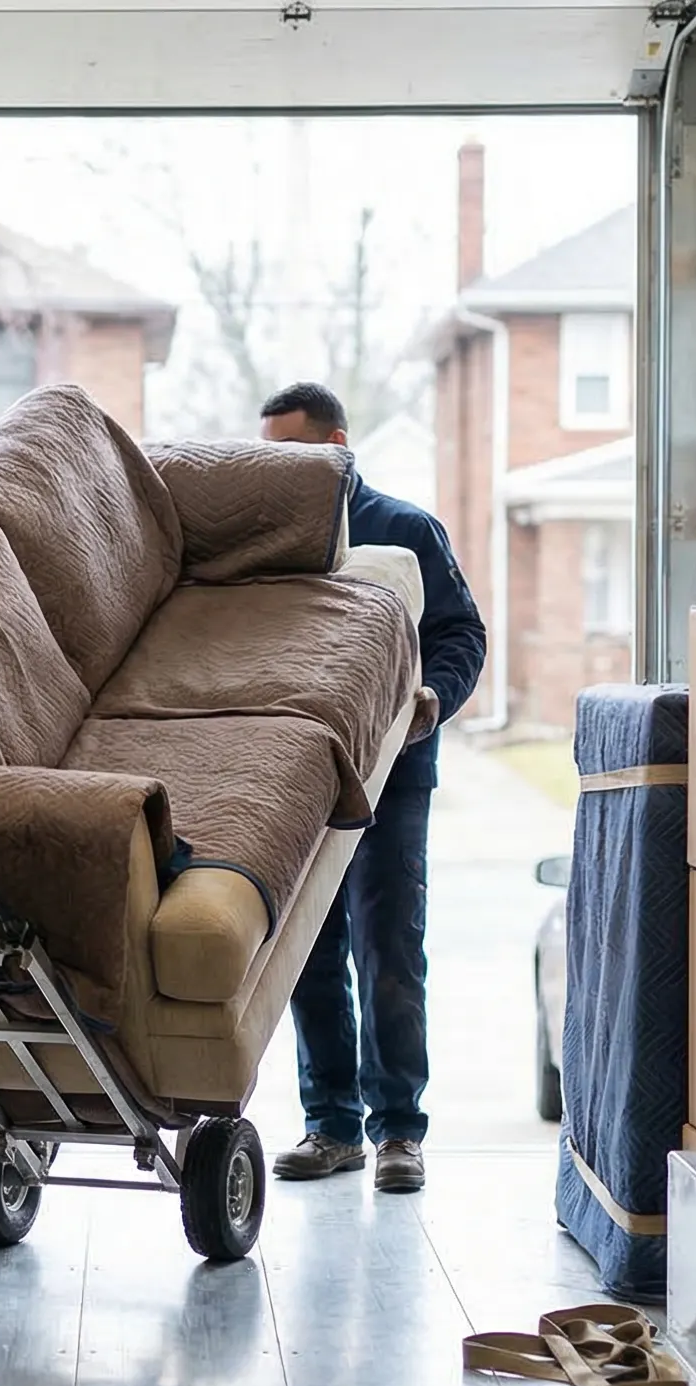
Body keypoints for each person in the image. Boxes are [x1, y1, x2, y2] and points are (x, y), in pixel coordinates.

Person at [258, 382, 487, 1194]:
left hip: (393, 775)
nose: (274, 469)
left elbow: (462, 633)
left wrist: (432, 702)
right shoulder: (265, 543)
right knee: (308, 953)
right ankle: (331, 1128)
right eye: (267, 455)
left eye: (290, 452)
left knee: (387, 947)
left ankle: (399, 1132)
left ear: (338, 445)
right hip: (300, 779)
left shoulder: (405, 530)